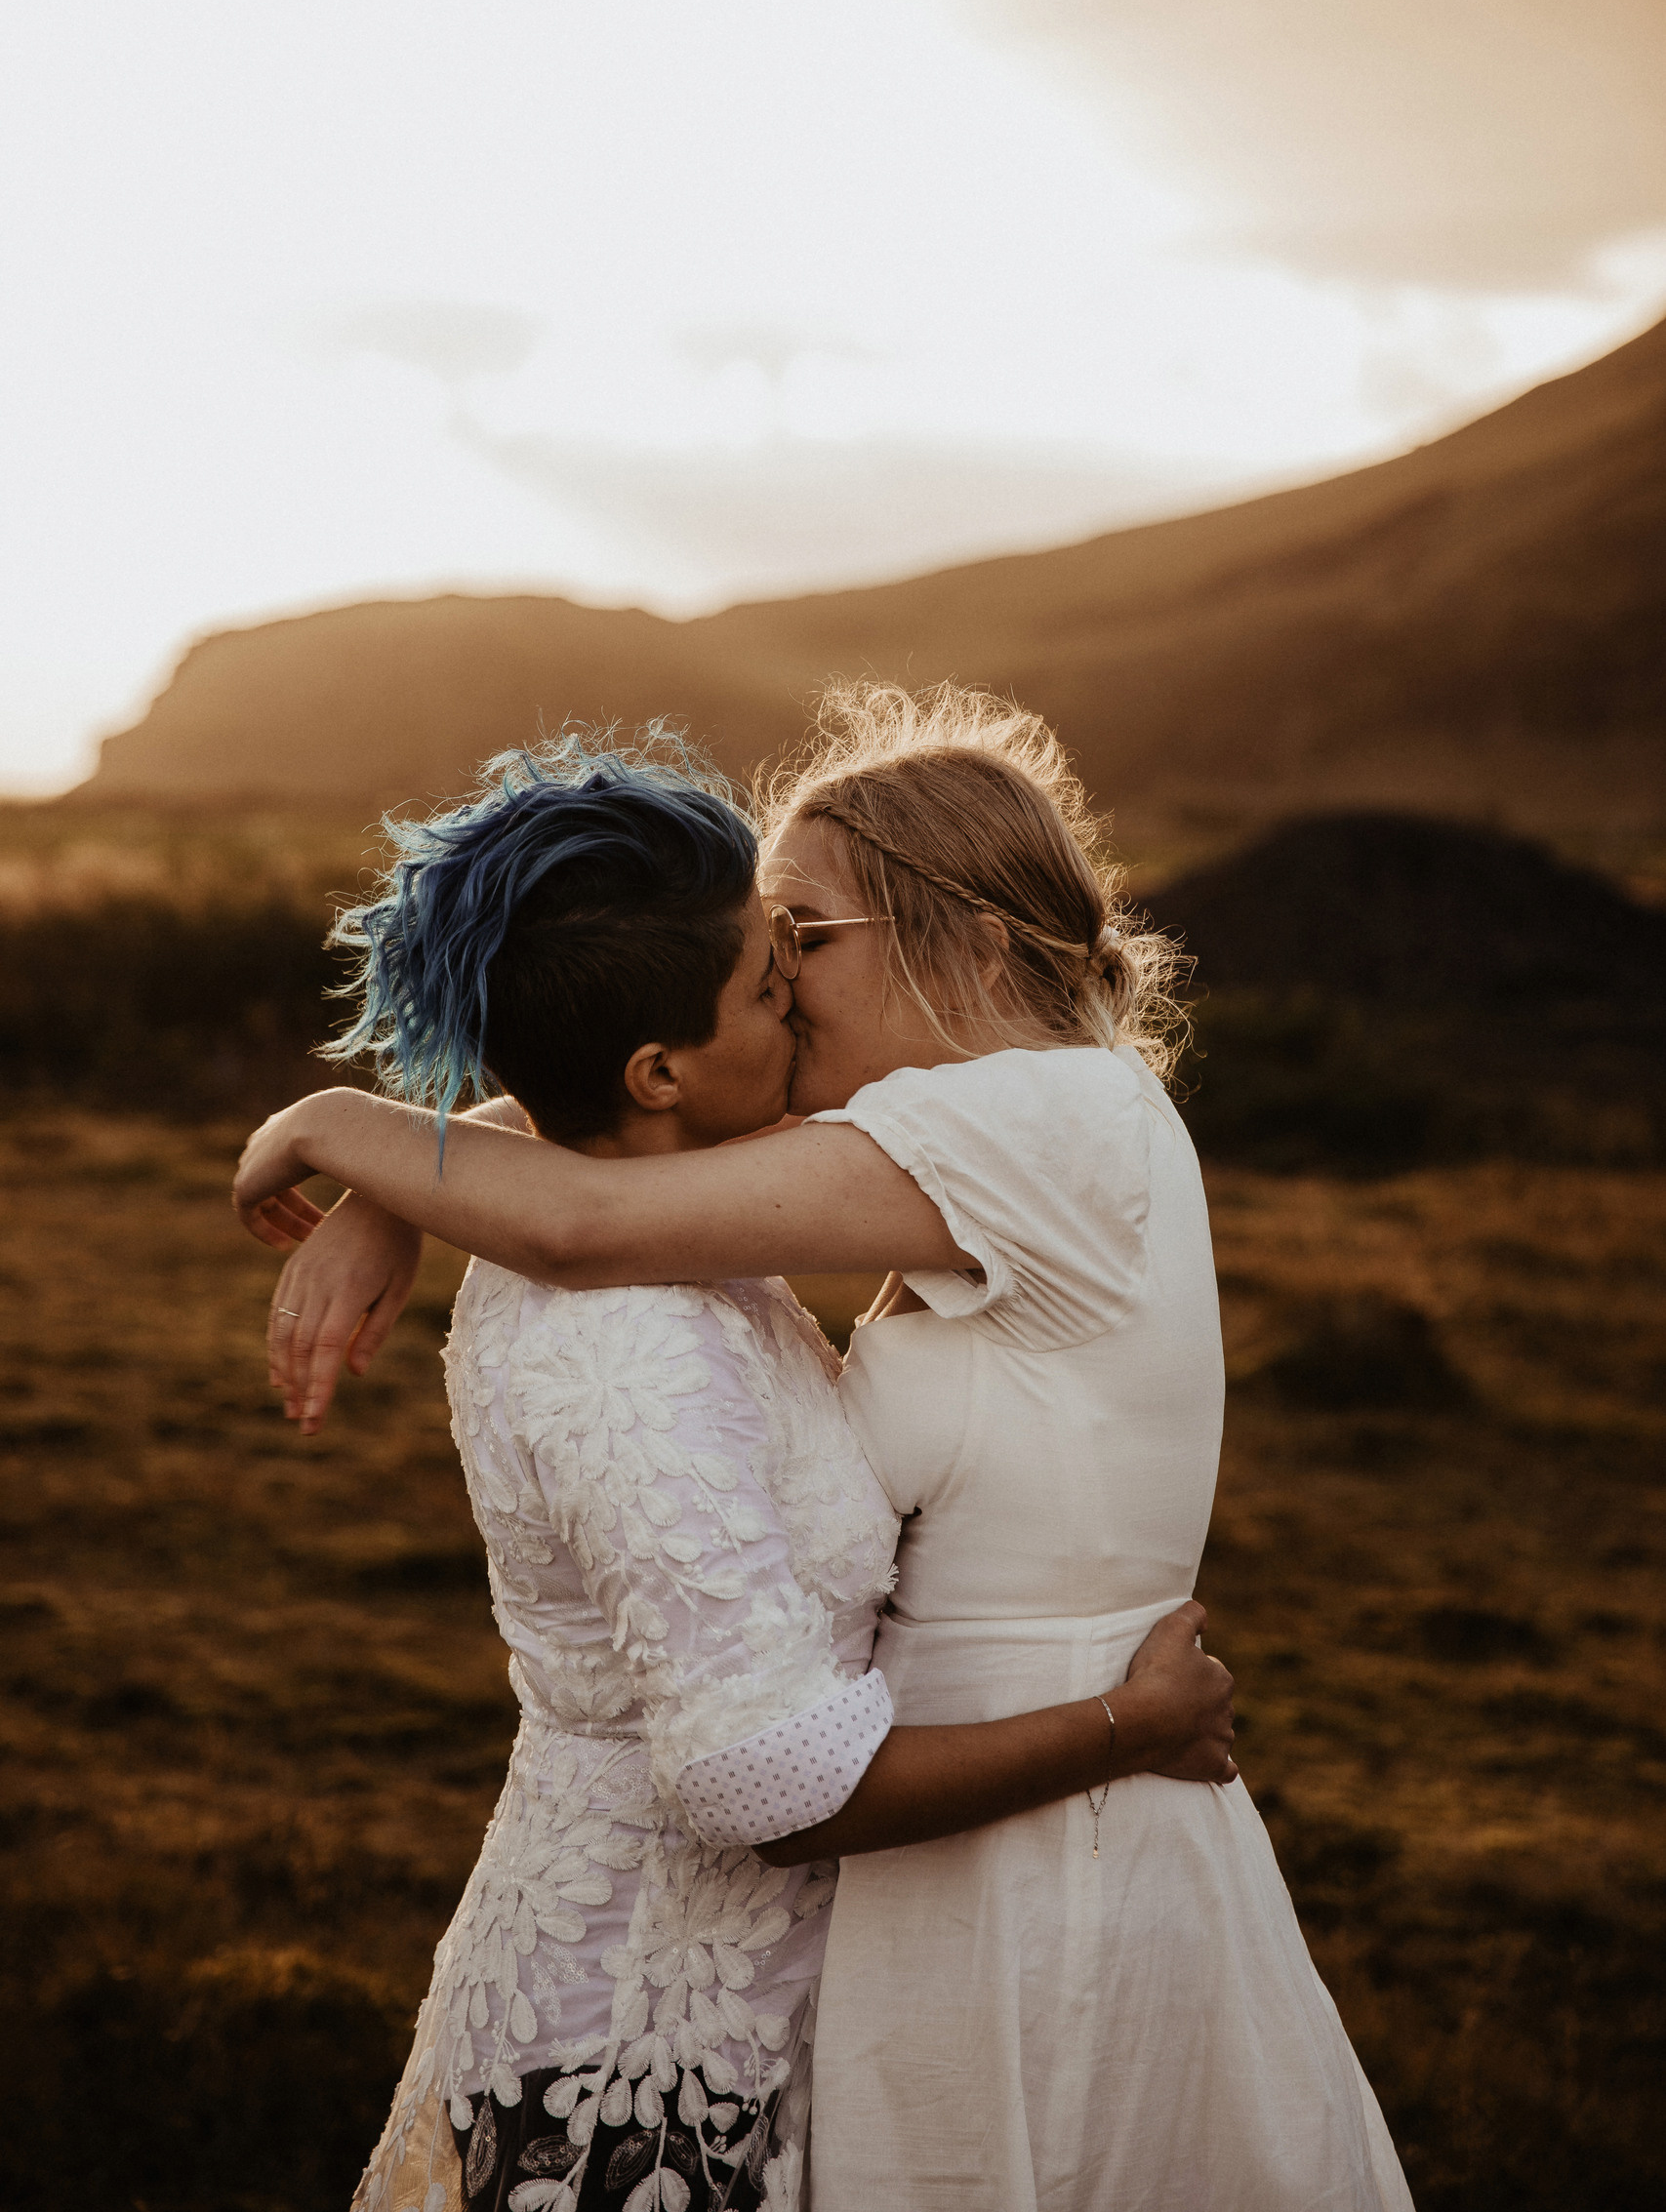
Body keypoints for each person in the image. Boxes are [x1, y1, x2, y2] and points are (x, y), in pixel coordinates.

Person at [239, 686, 1412, 2211]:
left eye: (802, 932)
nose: (782, 977)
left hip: (1055, 1847)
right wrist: (403, 1184)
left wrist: (349, 1132)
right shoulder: (966, 1137)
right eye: (766, 950)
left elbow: (593, 1202)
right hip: (927, 1835)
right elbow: (618, 1116)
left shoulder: (1046, 1120)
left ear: (964, 943)